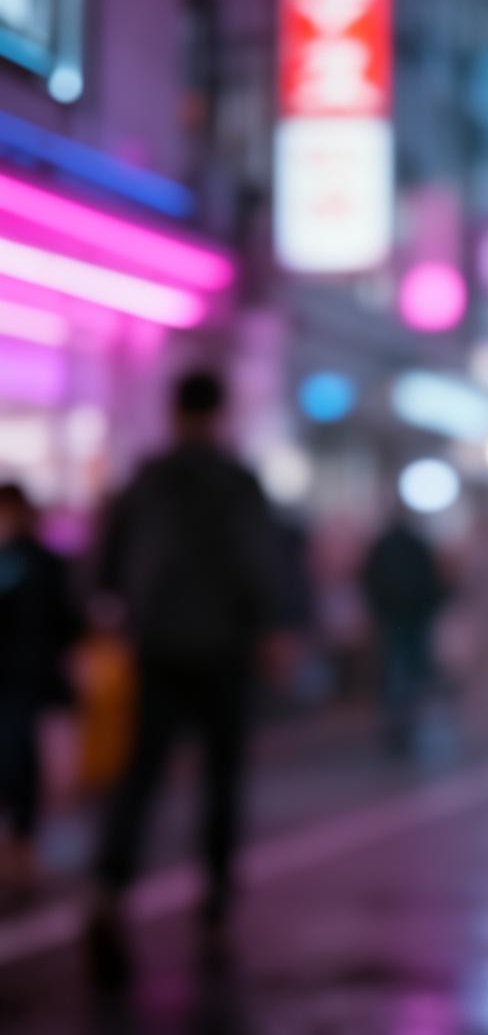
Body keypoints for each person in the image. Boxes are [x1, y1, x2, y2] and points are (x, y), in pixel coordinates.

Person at [87, 370, 278, 982]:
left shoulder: (148, 477)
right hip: (224, 651)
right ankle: (216, 912)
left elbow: (106, 565)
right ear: (220, 413)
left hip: (159, 648)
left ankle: (110, 890)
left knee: (139, 776)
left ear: (172, 410)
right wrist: (273, 630)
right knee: (221, 782)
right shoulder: (237, 481)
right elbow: (260, 563)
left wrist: (116, 614)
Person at [0, 482, 82, 905]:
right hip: (19, 682)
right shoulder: (29, 562)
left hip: (26, 683)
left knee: (21, 768)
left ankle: (21, 853)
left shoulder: (37, 563)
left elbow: (68, 620)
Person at [359, 512, 447, 758]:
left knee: (393, 671)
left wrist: (377, 609)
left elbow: (368, 577)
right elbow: (433, 582)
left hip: (393, 618)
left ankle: (396, 724)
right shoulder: (418, 545)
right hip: (413, 619)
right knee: (410, 671)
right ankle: (405, 723)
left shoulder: (383, 545)